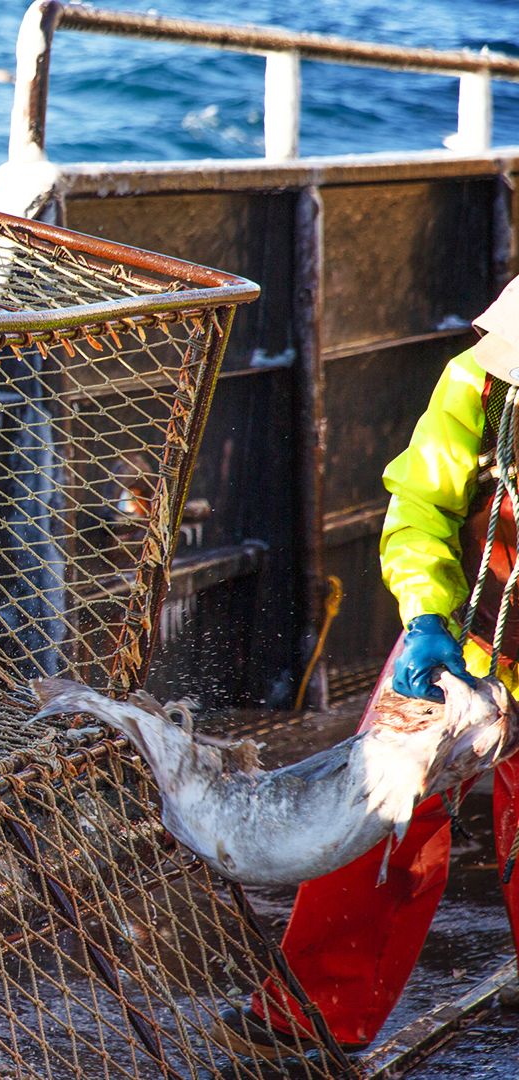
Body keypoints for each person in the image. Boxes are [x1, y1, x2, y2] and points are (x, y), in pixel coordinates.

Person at [212, 278, 519, 1061]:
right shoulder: (480, 379)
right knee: (379, 812)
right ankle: (310, 1010)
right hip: (470, 639)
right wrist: (424, 616)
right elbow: (420, 507)